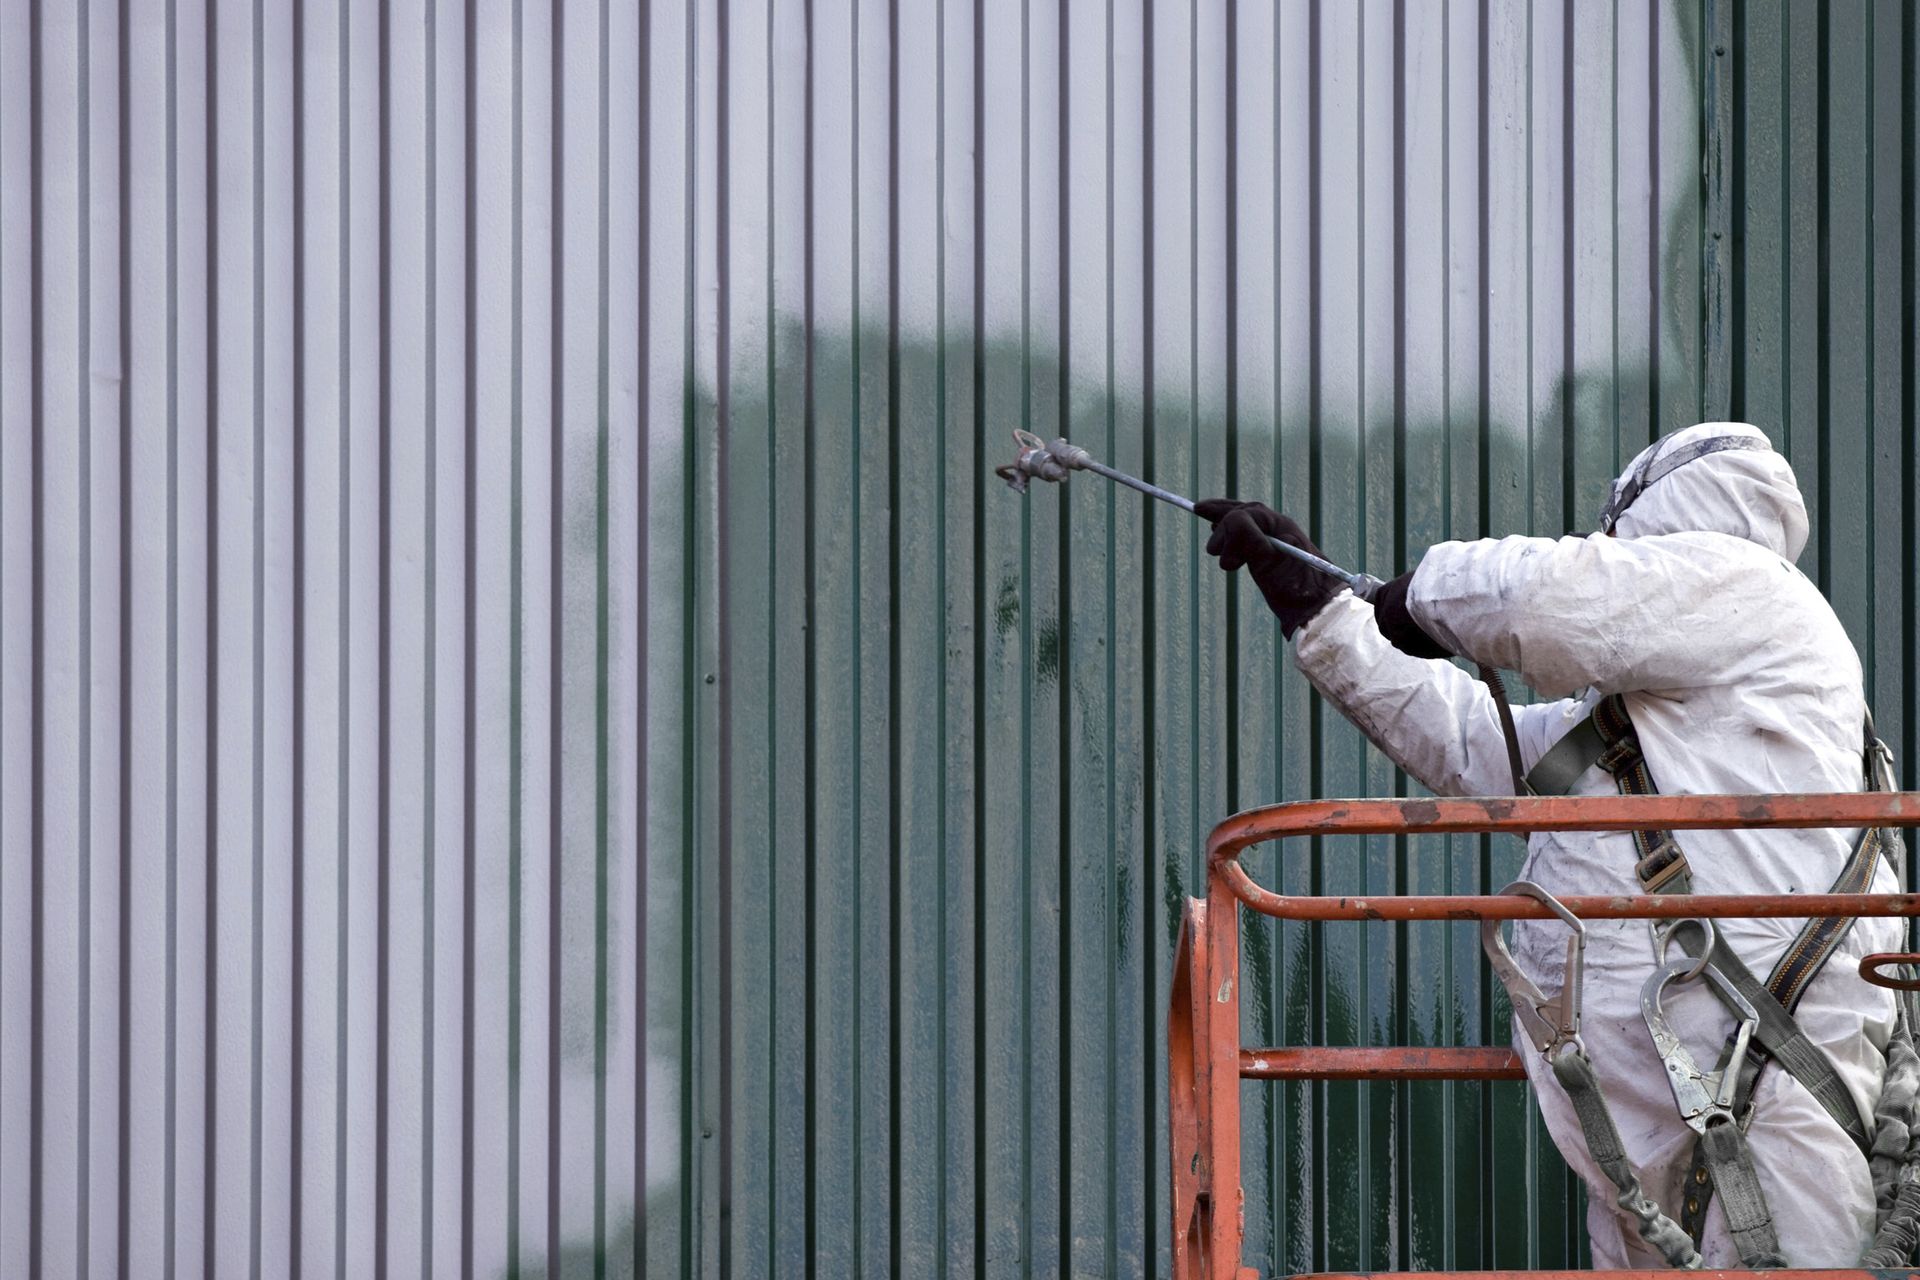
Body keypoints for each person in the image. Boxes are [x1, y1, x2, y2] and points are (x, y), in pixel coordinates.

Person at [1199, 421, 1902, 1267]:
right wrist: (1320, 611)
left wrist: (1423, 594)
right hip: (1660, 1104)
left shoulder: (1754, 594)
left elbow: (1553, 603)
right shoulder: (1650, 713)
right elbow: (1477, 749)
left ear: (1653, 512)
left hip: (1769, 1071)